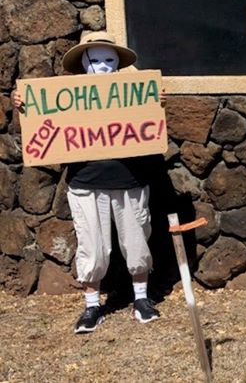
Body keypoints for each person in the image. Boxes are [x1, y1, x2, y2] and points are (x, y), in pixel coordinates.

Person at [13, 31, 162, 333]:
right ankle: (92, 306)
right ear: (84, 64)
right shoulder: (67, 97)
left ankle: (141, 299)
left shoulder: (133, 93)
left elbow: (149, 124)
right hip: (85, 183)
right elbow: (42, 127)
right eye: (96, 60)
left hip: (130, 181)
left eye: (110, 60)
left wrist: (155, 103)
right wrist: (25, 105)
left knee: (137, 243)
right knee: (91, 247)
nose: (104, 66)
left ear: (118, 63)